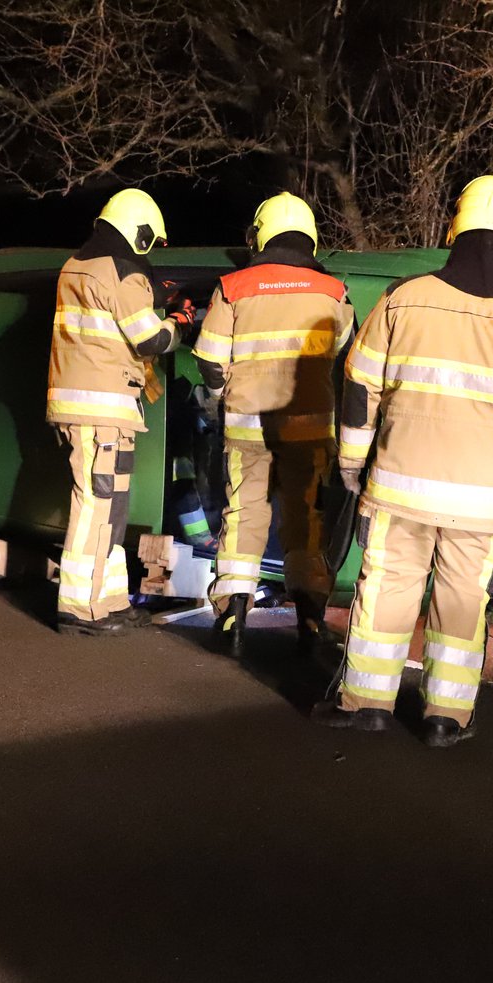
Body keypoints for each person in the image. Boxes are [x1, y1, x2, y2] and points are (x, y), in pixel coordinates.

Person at [312, 172, 493, 747]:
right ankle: (445, 719)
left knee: (385, 588)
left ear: (456, 224)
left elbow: (359, 391)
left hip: (398, 488)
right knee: (462, 604)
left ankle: (365, 704)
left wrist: (353, 465)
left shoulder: (402, 300)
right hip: (484, 504)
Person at [192, 192, 355, 655]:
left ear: (260, 235)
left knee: (244, 514)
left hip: (247, 428)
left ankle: (232, 621)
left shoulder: (234, 286)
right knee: (305, 518)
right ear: (311, 238)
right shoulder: (332, 291)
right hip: (307, 428)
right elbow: (346, 353)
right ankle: (310, 620)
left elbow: (208, 360)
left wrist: (224, 397)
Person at [49, 188, 194, 635]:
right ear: (141, 233)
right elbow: (150, 340)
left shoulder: (76, 266)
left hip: (86, 407)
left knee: (110, 508)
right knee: (95, 508)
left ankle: (109, 599)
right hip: (103, 412)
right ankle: (79, 608)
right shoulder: (124, 273)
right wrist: (181, 323)